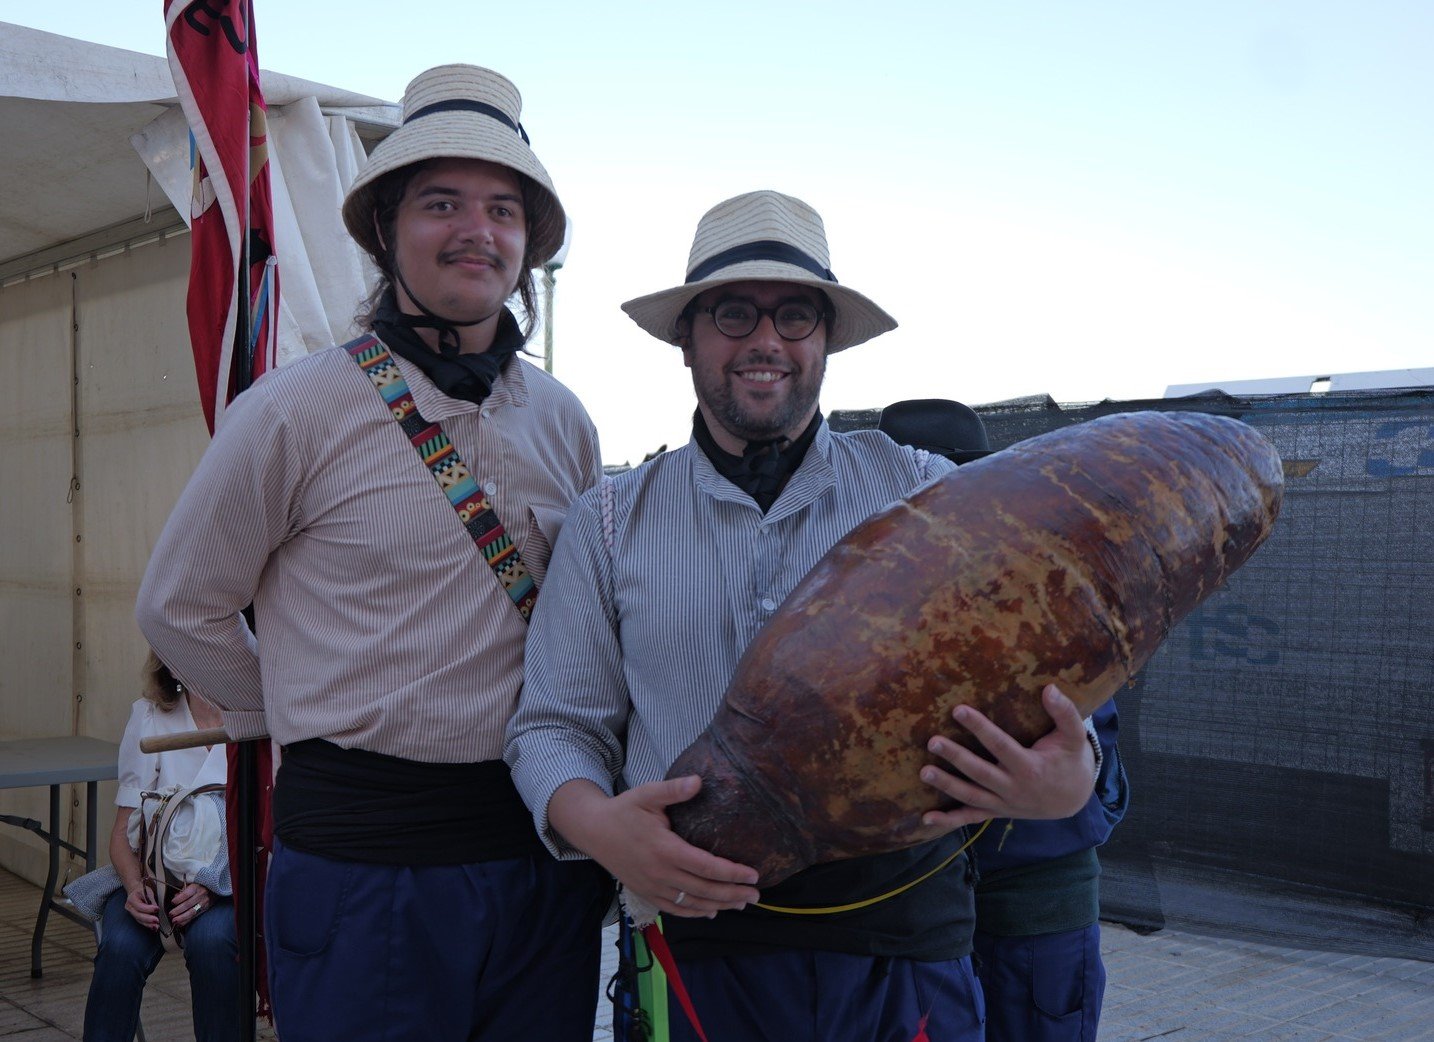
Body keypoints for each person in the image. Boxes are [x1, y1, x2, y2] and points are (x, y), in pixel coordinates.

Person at [505, 190, 1105, 1042]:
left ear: (826, 340)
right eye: (734, 313)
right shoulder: (609, 520)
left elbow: (1044, 665)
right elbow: (552, 727)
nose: (765, 341)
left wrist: (1069, 775)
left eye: (795, 317)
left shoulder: (925, 492)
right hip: (691, 934)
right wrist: (599, 827)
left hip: (901, 942)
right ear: (688, 340)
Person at [136, 64, 610, 1042]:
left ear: (526, 242)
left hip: (542, 862)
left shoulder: (563, 421)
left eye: (504, 209)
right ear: (387, 228)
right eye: (443, 203)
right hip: (364, 871)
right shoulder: (293, 409)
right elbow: (179, 605)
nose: (478, 230)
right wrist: (287, 708)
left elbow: (586, 616)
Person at [880, 398, 1131, 1042]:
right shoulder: (874, 621)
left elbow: (1097, 760)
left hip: (1032, 906)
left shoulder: (1049, 599)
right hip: (912, 916)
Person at [81, 651, 242, 1042]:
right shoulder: (150, 716)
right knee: (118, 949)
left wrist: (210, 884)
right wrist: (135, 890)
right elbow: (122, 833)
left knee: (214, 944)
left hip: (227, 883)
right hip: (153, 878)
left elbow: (261, 831)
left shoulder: (254, 718)